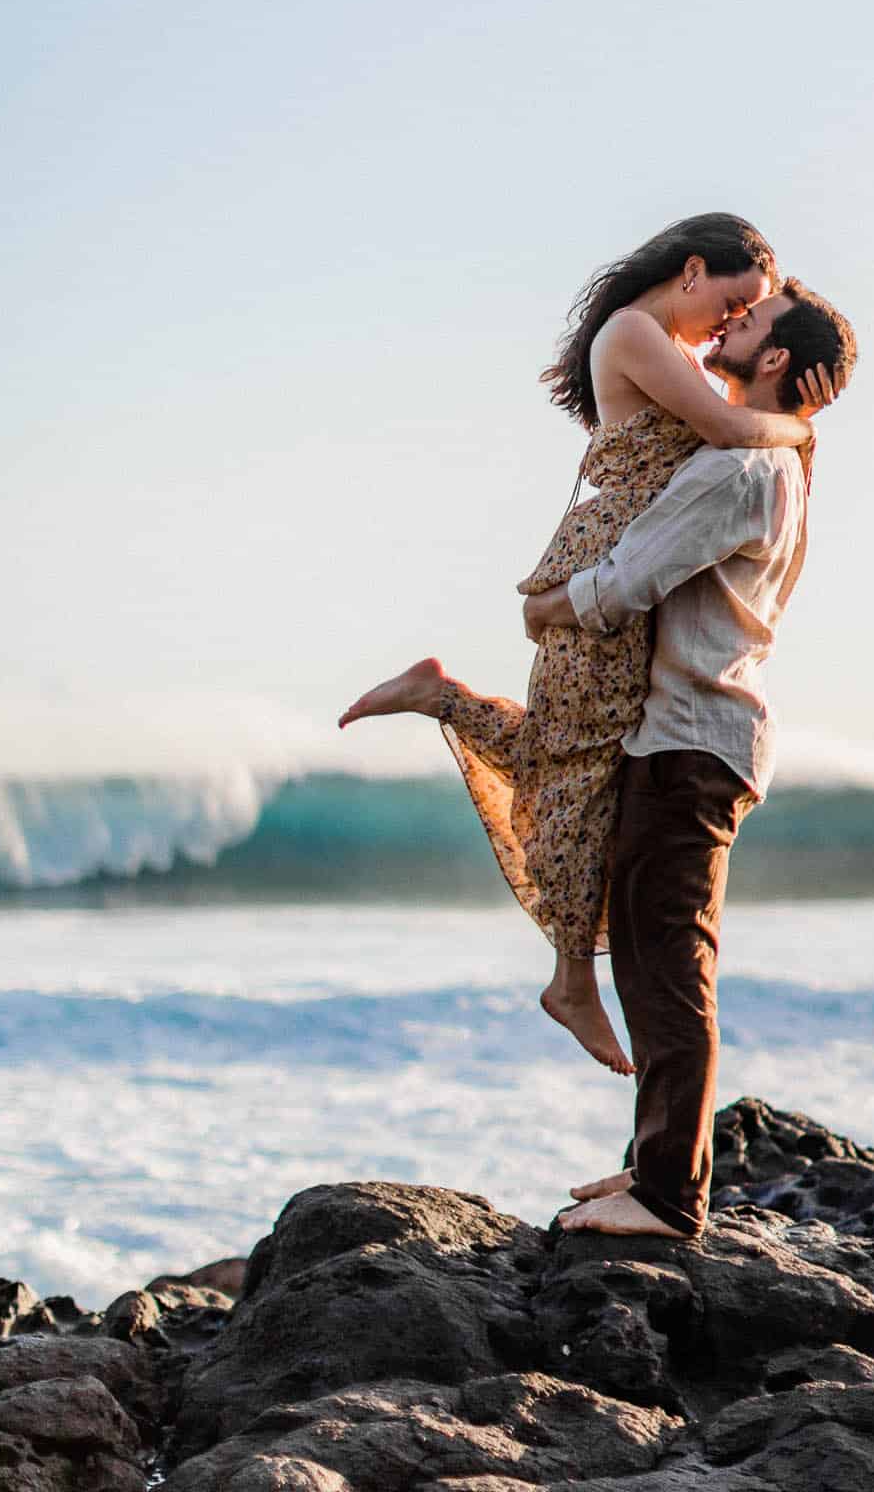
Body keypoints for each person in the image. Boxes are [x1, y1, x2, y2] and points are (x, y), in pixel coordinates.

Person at [337, 215, 833, 1077]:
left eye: (750, 314)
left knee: (571, 764)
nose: (731, 320)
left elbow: (730, 439)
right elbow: (730, 432)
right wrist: (803, 422)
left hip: (611, 572)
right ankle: (571, 978)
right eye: (736, 299)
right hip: (601, 575)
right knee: (575, 776)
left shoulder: (661, 344)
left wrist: (793, 419)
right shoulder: (639, 333)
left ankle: (440, 696)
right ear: (691, 269)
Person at [527, 277, 858, 1239]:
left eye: (748, 323)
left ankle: (670, 1196)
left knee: (667, 963)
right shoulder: (775, 465)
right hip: (704, 736)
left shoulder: (737, 471)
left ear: (775, 363)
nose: (728, 326)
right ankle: (653, 1167)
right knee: (651, 955)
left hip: (690, 741)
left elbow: (630, 581)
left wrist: (550, 607)